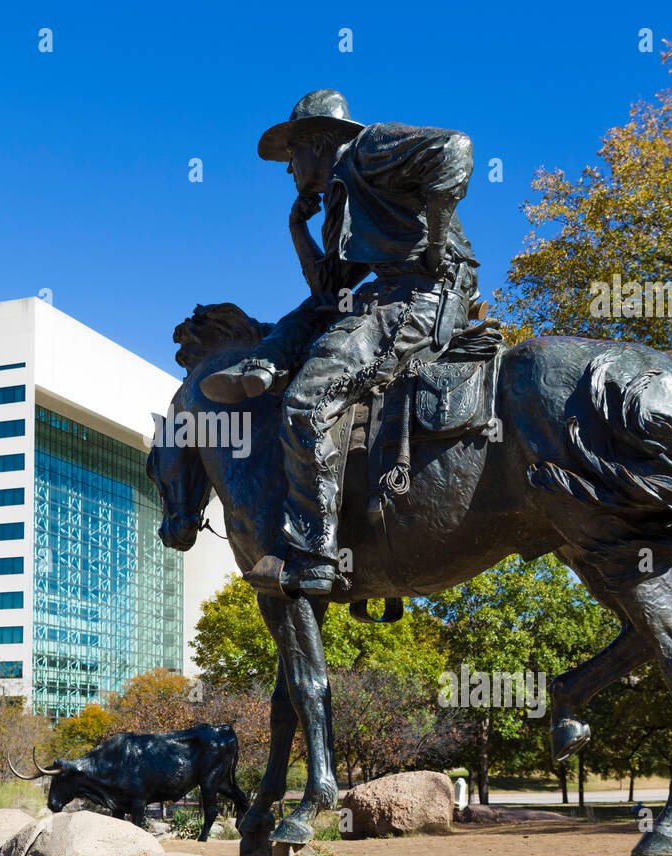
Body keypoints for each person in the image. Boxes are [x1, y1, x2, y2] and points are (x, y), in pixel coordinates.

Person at [201, 89, 480, 596]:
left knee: (306, 401)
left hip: (423, 295)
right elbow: (330, 291)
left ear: (318, 142)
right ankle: (264, 363)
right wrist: (296, 226)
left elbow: (455, 148)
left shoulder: (367, 149)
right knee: (319, 311)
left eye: (292, 155)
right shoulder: (337, 198)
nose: (289, 170)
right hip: (390, 291)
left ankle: (312, 553)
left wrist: (437, 244)